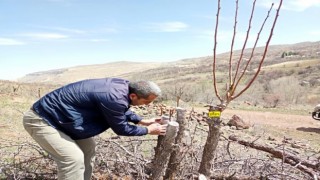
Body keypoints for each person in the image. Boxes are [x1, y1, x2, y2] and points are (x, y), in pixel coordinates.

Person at [23, 78, 167, 180]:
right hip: (41, 120)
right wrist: (148, 130)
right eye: (146, 101)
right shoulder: (113, 96)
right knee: (72, 158)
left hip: (63, 119)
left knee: (88, 149)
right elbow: (121, 128)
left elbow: (121, 107)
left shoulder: (123, 89)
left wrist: (142, 120)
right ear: (133, 95)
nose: (148, 105)